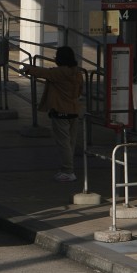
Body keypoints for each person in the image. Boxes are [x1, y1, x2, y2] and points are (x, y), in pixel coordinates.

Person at [20, 46, 84, 182]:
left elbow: (43, 73)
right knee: (71, 142)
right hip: (74, 110)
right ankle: (68, 168)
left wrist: (27, 68)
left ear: (60, 58)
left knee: (63, 142)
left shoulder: (60, 72)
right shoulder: (77, 73)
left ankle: (68, 170)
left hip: (61, 111)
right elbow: (79, 91)